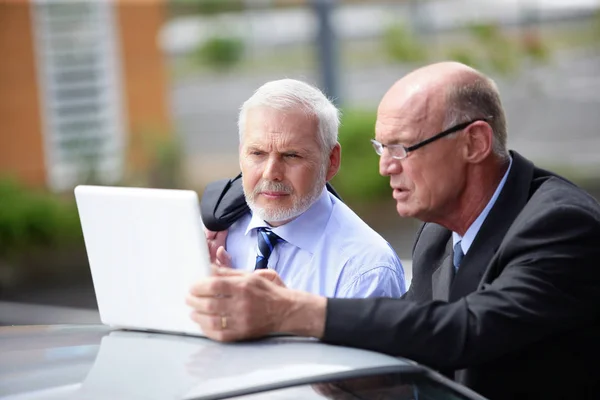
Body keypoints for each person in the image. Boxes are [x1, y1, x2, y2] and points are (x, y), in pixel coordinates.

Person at [186, 63, 600, 399]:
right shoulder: (437, 235)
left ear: (474, 143)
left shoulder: (562, 224)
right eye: (381, 148)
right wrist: (355, 384)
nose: (386, 166)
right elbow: (416, 350)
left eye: (402, 147)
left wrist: (287, 311)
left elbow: (466, 330)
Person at [201, 78, 405, 298]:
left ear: (332, 161)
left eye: (291, 155)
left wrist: (287, 317)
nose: (271, 172)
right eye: (257, 153)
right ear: (241, 153)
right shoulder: (209, 237)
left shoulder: (366, 269)